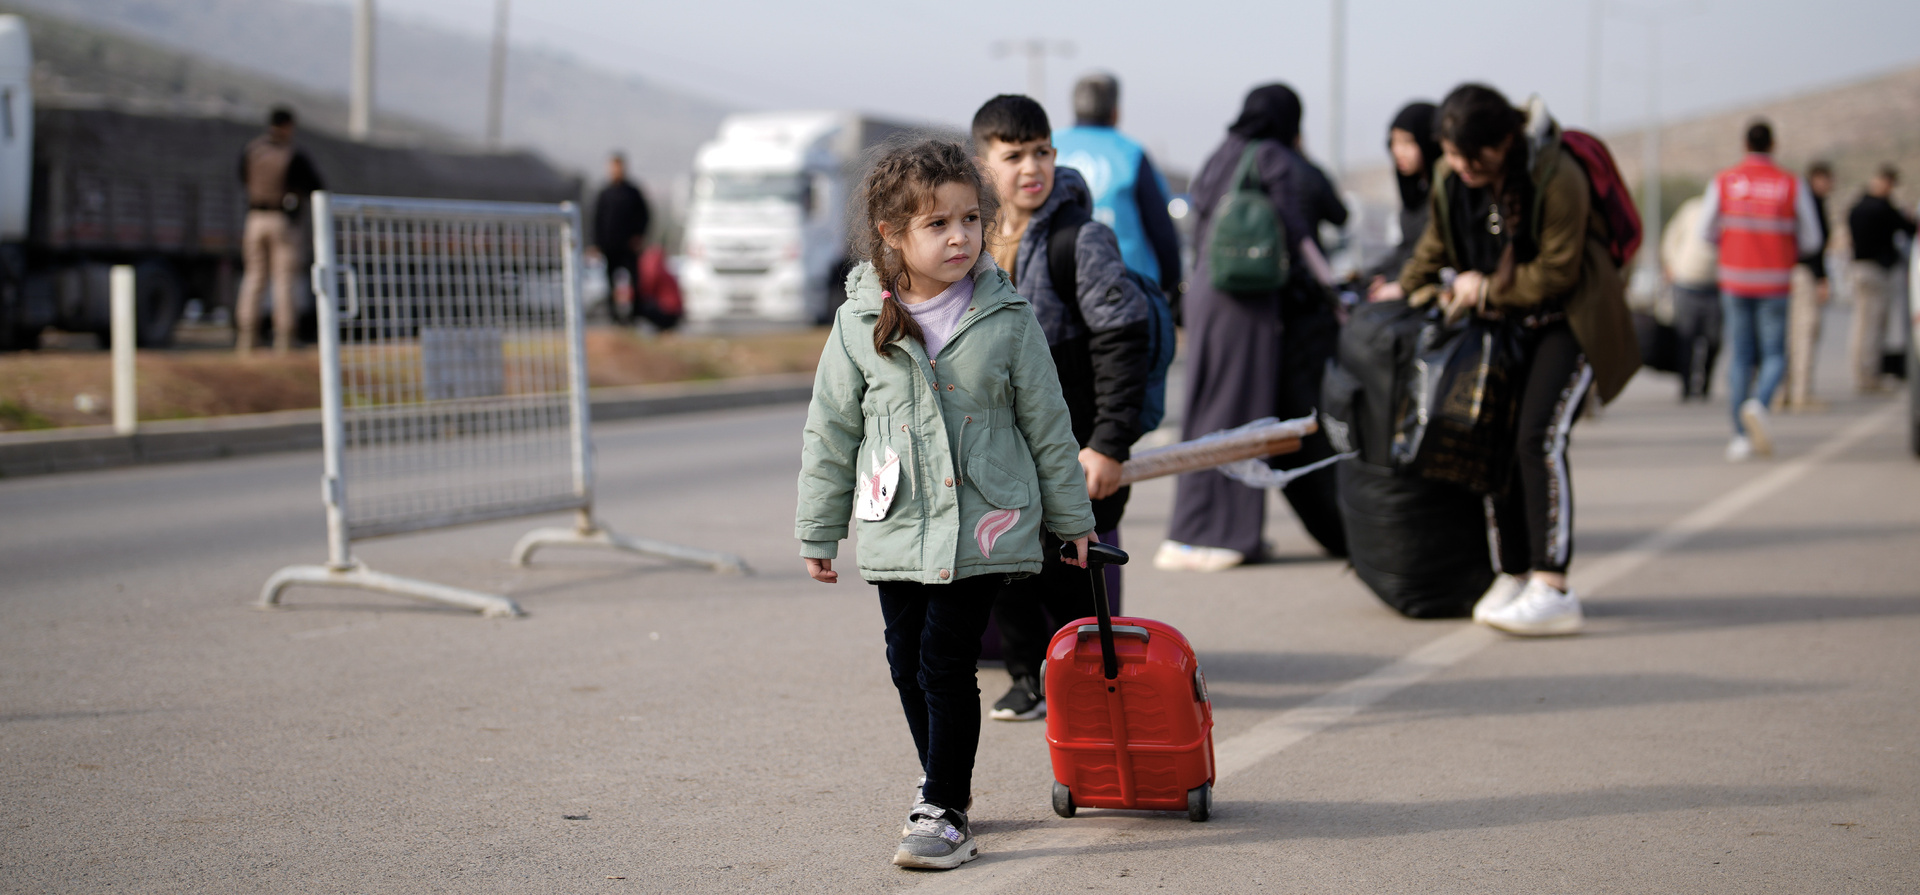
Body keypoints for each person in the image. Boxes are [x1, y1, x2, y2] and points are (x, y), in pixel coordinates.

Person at [793, 139, 1095, 871]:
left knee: (944, 658)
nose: (960, 236)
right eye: (938, 224)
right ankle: (941, 775)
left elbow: (1049, 425)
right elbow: (831, 429)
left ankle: (944, 803)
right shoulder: (859, 319)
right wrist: (819, 529)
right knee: (905, 660)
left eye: (970, 219)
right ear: (892, 233)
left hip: (983, 526)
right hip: (896, 521)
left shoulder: (1008, 316)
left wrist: (1072, 519)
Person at [1396, 84, 1639, 637]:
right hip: (1505, 325)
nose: (1459, 167)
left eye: (1470, 157)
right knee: (1496, 441)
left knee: (1538, 438)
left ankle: (1552, 586)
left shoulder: (1557, 175)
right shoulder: (1451, 175)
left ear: (1505, 141)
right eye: (1451, 156)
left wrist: (1483, 289)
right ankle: (1514, 572)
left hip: (1571, 321)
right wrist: (1405, 289)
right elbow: (1437, 239)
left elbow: (1558, 271)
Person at [969, 94, 1152, 723]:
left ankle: (1092, 683)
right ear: (982, 164)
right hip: (997, 442)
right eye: (1013, 154)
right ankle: (1026, 676)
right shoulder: (974, 239)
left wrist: (1108, 443)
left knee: (1069, 566)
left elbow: (1123, 345)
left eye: (1042, 151)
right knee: (1002, 558)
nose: (1031, 167)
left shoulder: (1083, 238)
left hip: (1074, 442)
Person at [1160, 83, 1344, 572]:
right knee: (1243, 414)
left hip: (1205, 290)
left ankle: (1189, 533)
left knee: (1205, 411)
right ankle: (1228, 536)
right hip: (1247, 299)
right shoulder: (1273, 157)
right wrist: (1332, 288)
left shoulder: (1220, 153)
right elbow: (1298, 231)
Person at [1699, 120, 1824, 461]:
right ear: (1773, 145)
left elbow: (1705, 230)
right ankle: (1760, 401)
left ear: (1744, 144)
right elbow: (1812, 238)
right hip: (1774, 281)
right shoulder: (1790, 184)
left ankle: (1739, 436)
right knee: (1774, 354)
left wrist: (1729, 247)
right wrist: (1784, 249)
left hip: (1735, 280)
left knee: (1740, 357)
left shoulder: (1725, 181)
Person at [1051, 73, 1185, 305]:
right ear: (1115, 111)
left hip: (1059, 282)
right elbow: (1160, 226)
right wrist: (1173, 282)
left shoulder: (1050, 146)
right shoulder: (1131, 153)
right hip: (1128, 287)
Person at [235, 106, 323, 355]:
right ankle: (285, 338)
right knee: (284, 280)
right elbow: (315, 185)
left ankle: (247, 337)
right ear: (287, 125)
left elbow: (242, 177)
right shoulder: (292, 154)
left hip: (254, 219)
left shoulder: (252, 150)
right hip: (281, 220)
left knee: (254, 278)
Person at [1845, 164, 1917, 394]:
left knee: (1862, 324)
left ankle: (1862, 373)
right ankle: (1869, 376)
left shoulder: (1858, 206)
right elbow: (1908, 228)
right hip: (1875, 272)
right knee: (1873, 326)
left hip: (1858, 270)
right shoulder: (1881, 208)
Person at [1366, 101, 1440, 291]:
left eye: (1407, 142)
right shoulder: (1418, 190)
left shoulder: (1444, 194)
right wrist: (1373, 274)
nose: (1398, 151)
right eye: (1394, 142)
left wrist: (1396, 284)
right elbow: (1406, 248)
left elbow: (1429, 255)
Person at [593, 153, 671, 329]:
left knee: (635, 282)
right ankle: (613, 317)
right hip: (610, 247)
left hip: (629, 248)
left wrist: (639, 236)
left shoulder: (633, 192)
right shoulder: (604, 193)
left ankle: (634, 316)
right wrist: (596, 243)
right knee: (610, 283)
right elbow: (597, 219)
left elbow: (645, 216)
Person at [1663, 194, 1723, 400]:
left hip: (1716, 285)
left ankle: (1705, 384)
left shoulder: (1729, 213)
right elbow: (1672, 236)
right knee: (1685, 338)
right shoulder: (1691, 209)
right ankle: (1687, 387)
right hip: (1686, 282)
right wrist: (1670, 264)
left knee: (1714, 340)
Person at [1785, 161, 1834, 410]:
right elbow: (1814, 245)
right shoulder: (1810, 202)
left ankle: (1783, 392)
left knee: (1787, 335)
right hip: (1803, 273)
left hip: (1783, 273)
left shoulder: (1801, 201)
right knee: (1804, 332)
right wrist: (1820, 278)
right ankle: (1800, 394)